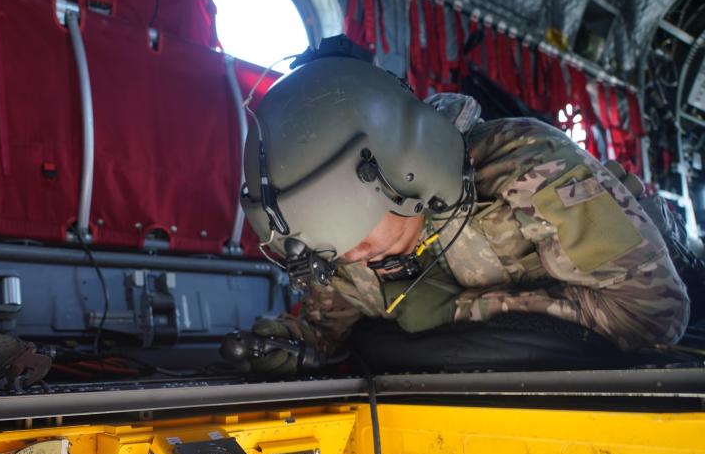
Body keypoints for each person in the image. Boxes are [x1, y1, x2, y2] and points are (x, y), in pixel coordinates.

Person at [238, 45, 689, 375]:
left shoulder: (525, 165)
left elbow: (651, 313)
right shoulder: (335, 243)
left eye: (355, 232)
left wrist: (454, 314)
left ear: (402, 170)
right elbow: (326, 331)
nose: (349, 258)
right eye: (330, 250)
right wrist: (283, 343)